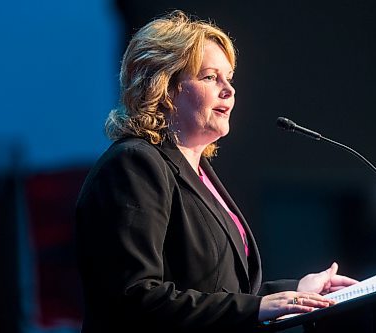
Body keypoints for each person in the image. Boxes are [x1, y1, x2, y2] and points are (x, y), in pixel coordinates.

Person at [75, 10, 357, 333]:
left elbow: (220, 292)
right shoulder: (134, 165)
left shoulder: (200, 173)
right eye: (210, 77)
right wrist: (257, 308)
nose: (229, 90)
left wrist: (296, 292)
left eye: (230, 78)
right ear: (165, 88)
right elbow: (135, 298)